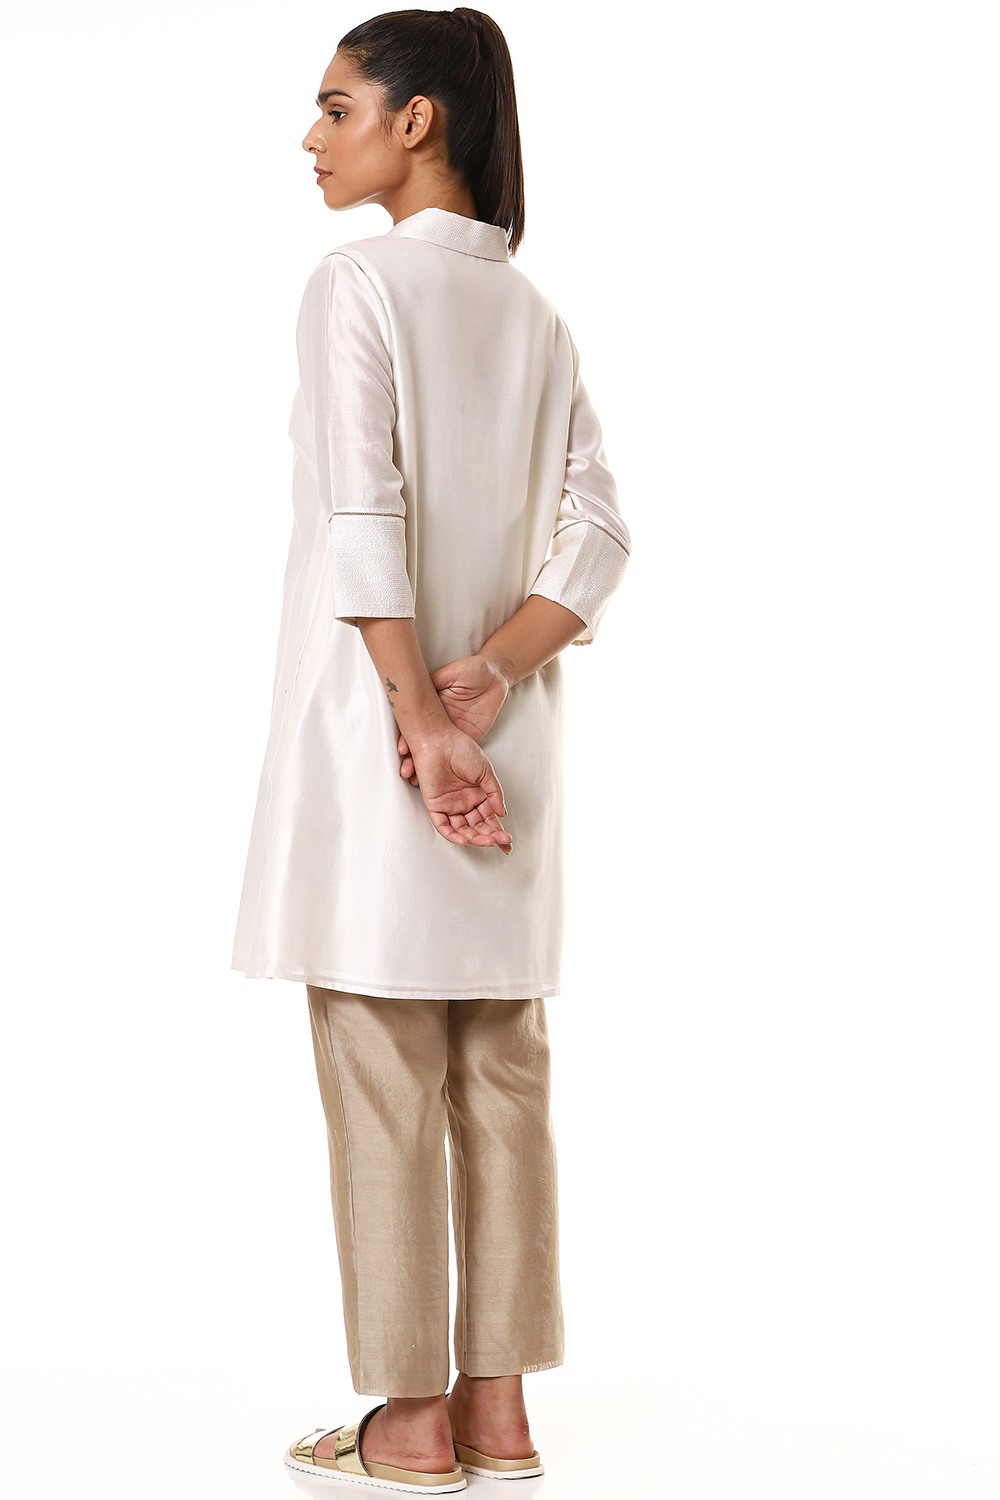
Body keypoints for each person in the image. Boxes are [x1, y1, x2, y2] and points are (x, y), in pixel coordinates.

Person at [231, 8, 631, 1492]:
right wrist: (492, 678)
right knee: (504, 1072)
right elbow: (602, 537)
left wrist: (415, 712)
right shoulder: (537, 319)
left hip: (383, 747)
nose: (311, 135)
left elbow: (364, 515)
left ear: (420, 122)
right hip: (504, 755)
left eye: (336, 106)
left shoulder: (355, 286)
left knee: (385, 1067)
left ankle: (405, 1424)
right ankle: (498, 1410)